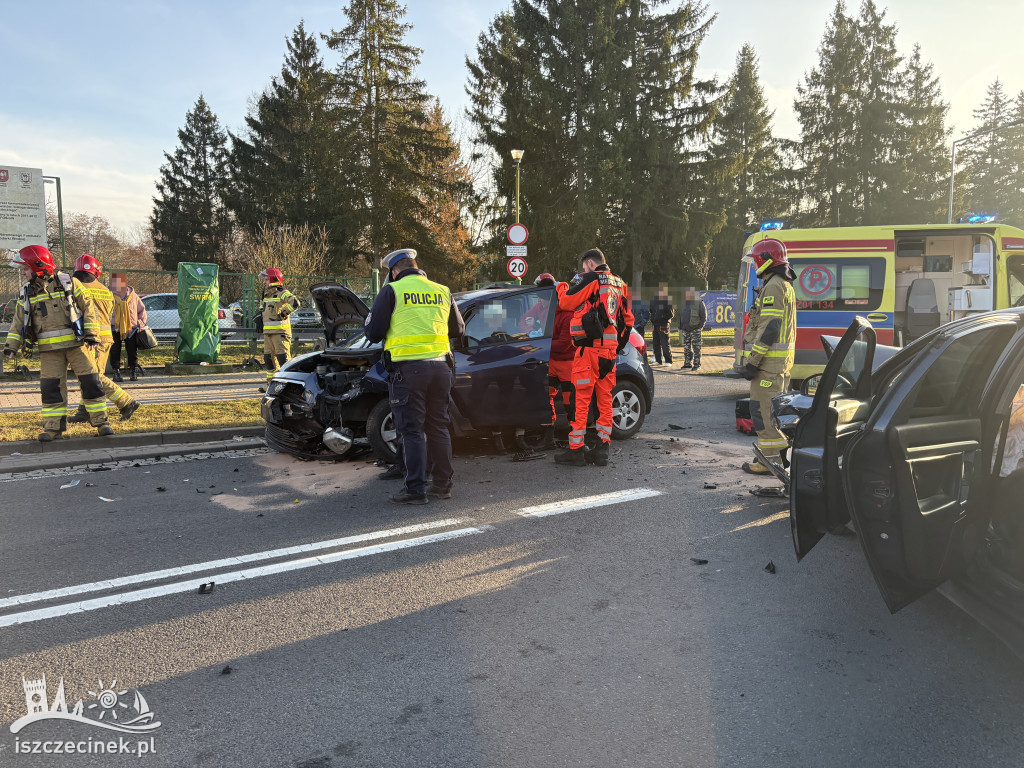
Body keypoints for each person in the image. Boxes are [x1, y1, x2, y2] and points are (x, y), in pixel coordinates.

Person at [363, 248, 465, 504]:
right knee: (439, 427)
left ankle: (416, 489)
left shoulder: (392, 291)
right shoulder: (442, 290)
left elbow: (373, 333)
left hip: (409, 372)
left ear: (394, 272)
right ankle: (443, 485)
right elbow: (458, 329)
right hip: (441, 369)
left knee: (412, 431)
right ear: (416, 266)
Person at [4, 245, 112, 440]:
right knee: (51, 388)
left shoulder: (69, 283)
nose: (23, 273)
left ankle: (101, 423)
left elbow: (89, 309)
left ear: (38, 267)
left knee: (91, 383)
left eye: (25, 269)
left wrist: (92, 335)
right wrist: (11, 347)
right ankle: (53, 428)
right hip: (49, 351)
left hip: (78, 346)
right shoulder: (26, 292)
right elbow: (18, 322)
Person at [555, 248, 633, 467]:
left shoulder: (592, 279)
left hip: (589, 351)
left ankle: (576, 450)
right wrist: (616, 348)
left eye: (583, 267)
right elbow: (628, 321)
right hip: (609, 353)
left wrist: (561, 287)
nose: (583, 271)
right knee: (605, 400)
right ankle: (602, 449)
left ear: (589, 263)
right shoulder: (620, 283)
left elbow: (566, 303)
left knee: (581, 401)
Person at [735, 238, 796, 475]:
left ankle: (771, 462)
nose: (754, 264)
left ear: (765, 260)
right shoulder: (782, 284)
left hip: (769, 364)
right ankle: (776, 459)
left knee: (763, 413)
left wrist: (752, 363)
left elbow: (770, 329)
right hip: (776, 363)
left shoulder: (773, 286)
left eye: (756, 259)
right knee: (771, 412)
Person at [67, 256, 140, 424]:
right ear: (96, 272)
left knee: (93, 377)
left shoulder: (74, 287)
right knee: (88, 377)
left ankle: (127, 402)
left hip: (90, 339)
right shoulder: (106, 291)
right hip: (104, 338)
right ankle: (84, 412)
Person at [259, 268, 300, 384]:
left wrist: (283, 313)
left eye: (266, 279)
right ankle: (271, 384)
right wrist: (258, 316)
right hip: (268, 333)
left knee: (284, 360)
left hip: (280, 333)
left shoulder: (283, 293)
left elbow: (295, 303)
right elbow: (262, 308)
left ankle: (289, 384)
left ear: (274, 279)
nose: (264, 282)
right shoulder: (266, 295)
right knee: (268, 360)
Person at [108, 273, 148, 382]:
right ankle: (116, 372)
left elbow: (142, 311)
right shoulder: (108, 295)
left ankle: (133, 371)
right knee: (115, 350)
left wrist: (139, 323)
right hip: (114, 327)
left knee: (132, 350)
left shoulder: (133, 296)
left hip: (131, 328)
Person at [679, 287, 708, 371]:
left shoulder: (699, 302)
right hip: (685, 329)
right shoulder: (684, 303)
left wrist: (700, 327)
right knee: (686, 348)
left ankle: (697, 364)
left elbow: (704, 316)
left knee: (696, 348)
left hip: (695, 329)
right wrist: (681, 327)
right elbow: (682, 316)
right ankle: (687, 363)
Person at [649, 284, 674, 367]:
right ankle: (658, 360)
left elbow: (671, 314)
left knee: (665, 343)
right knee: (656, 344)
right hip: (655, 325)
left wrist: (663, 319)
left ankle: (668, 361)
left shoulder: (667, 301)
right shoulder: (653, 301)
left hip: (663, 325)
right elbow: (651, 311)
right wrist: (653, 318)